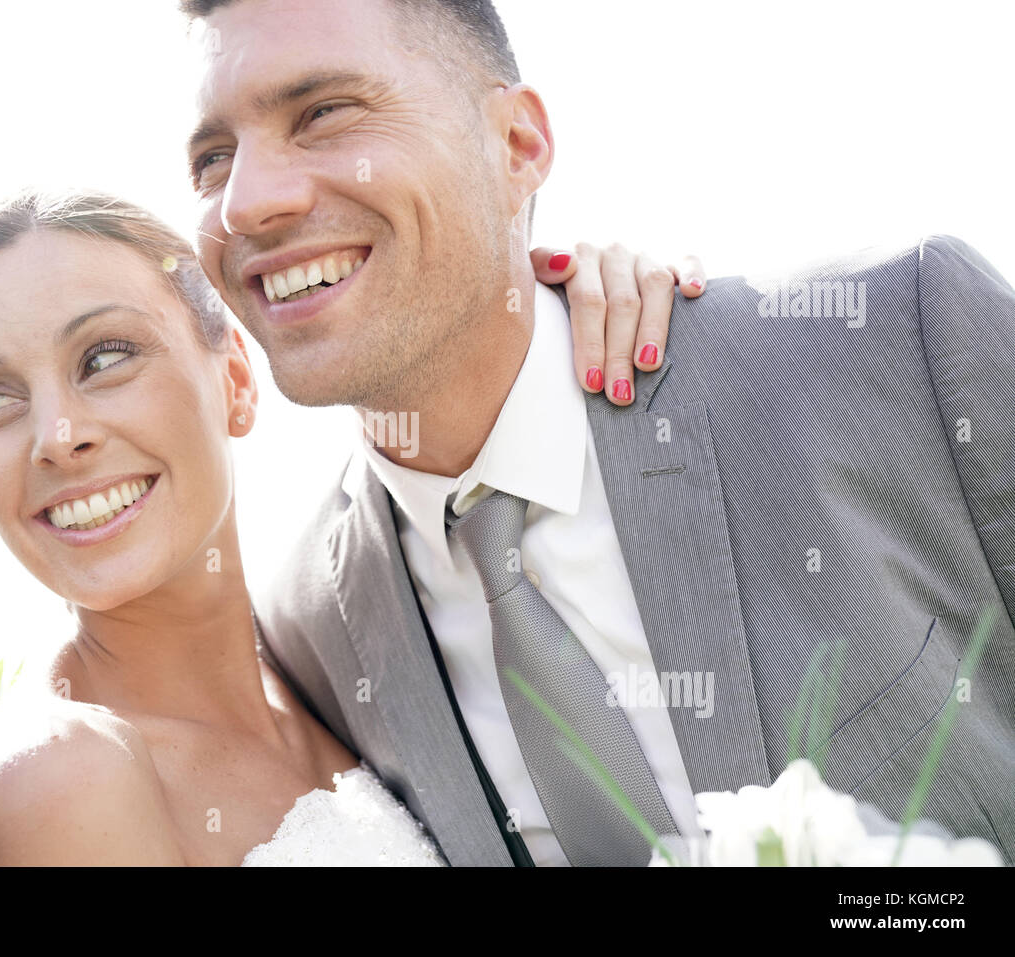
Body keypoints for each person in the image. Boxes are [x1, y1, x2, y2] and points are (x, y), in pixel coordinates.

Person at [182, 0, 1015, 866]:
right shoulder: (305, 632)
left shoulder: (901, 342)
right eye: (213, 158)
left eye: (322, 114)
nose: (247, 202)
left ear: (517, 146)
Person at [0, 191, 703, 865]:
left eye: (104, 356)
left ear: (235, 379)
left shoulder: (339, 661)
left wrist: (577, 307)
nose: (56, 436)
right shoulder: (56, 778)